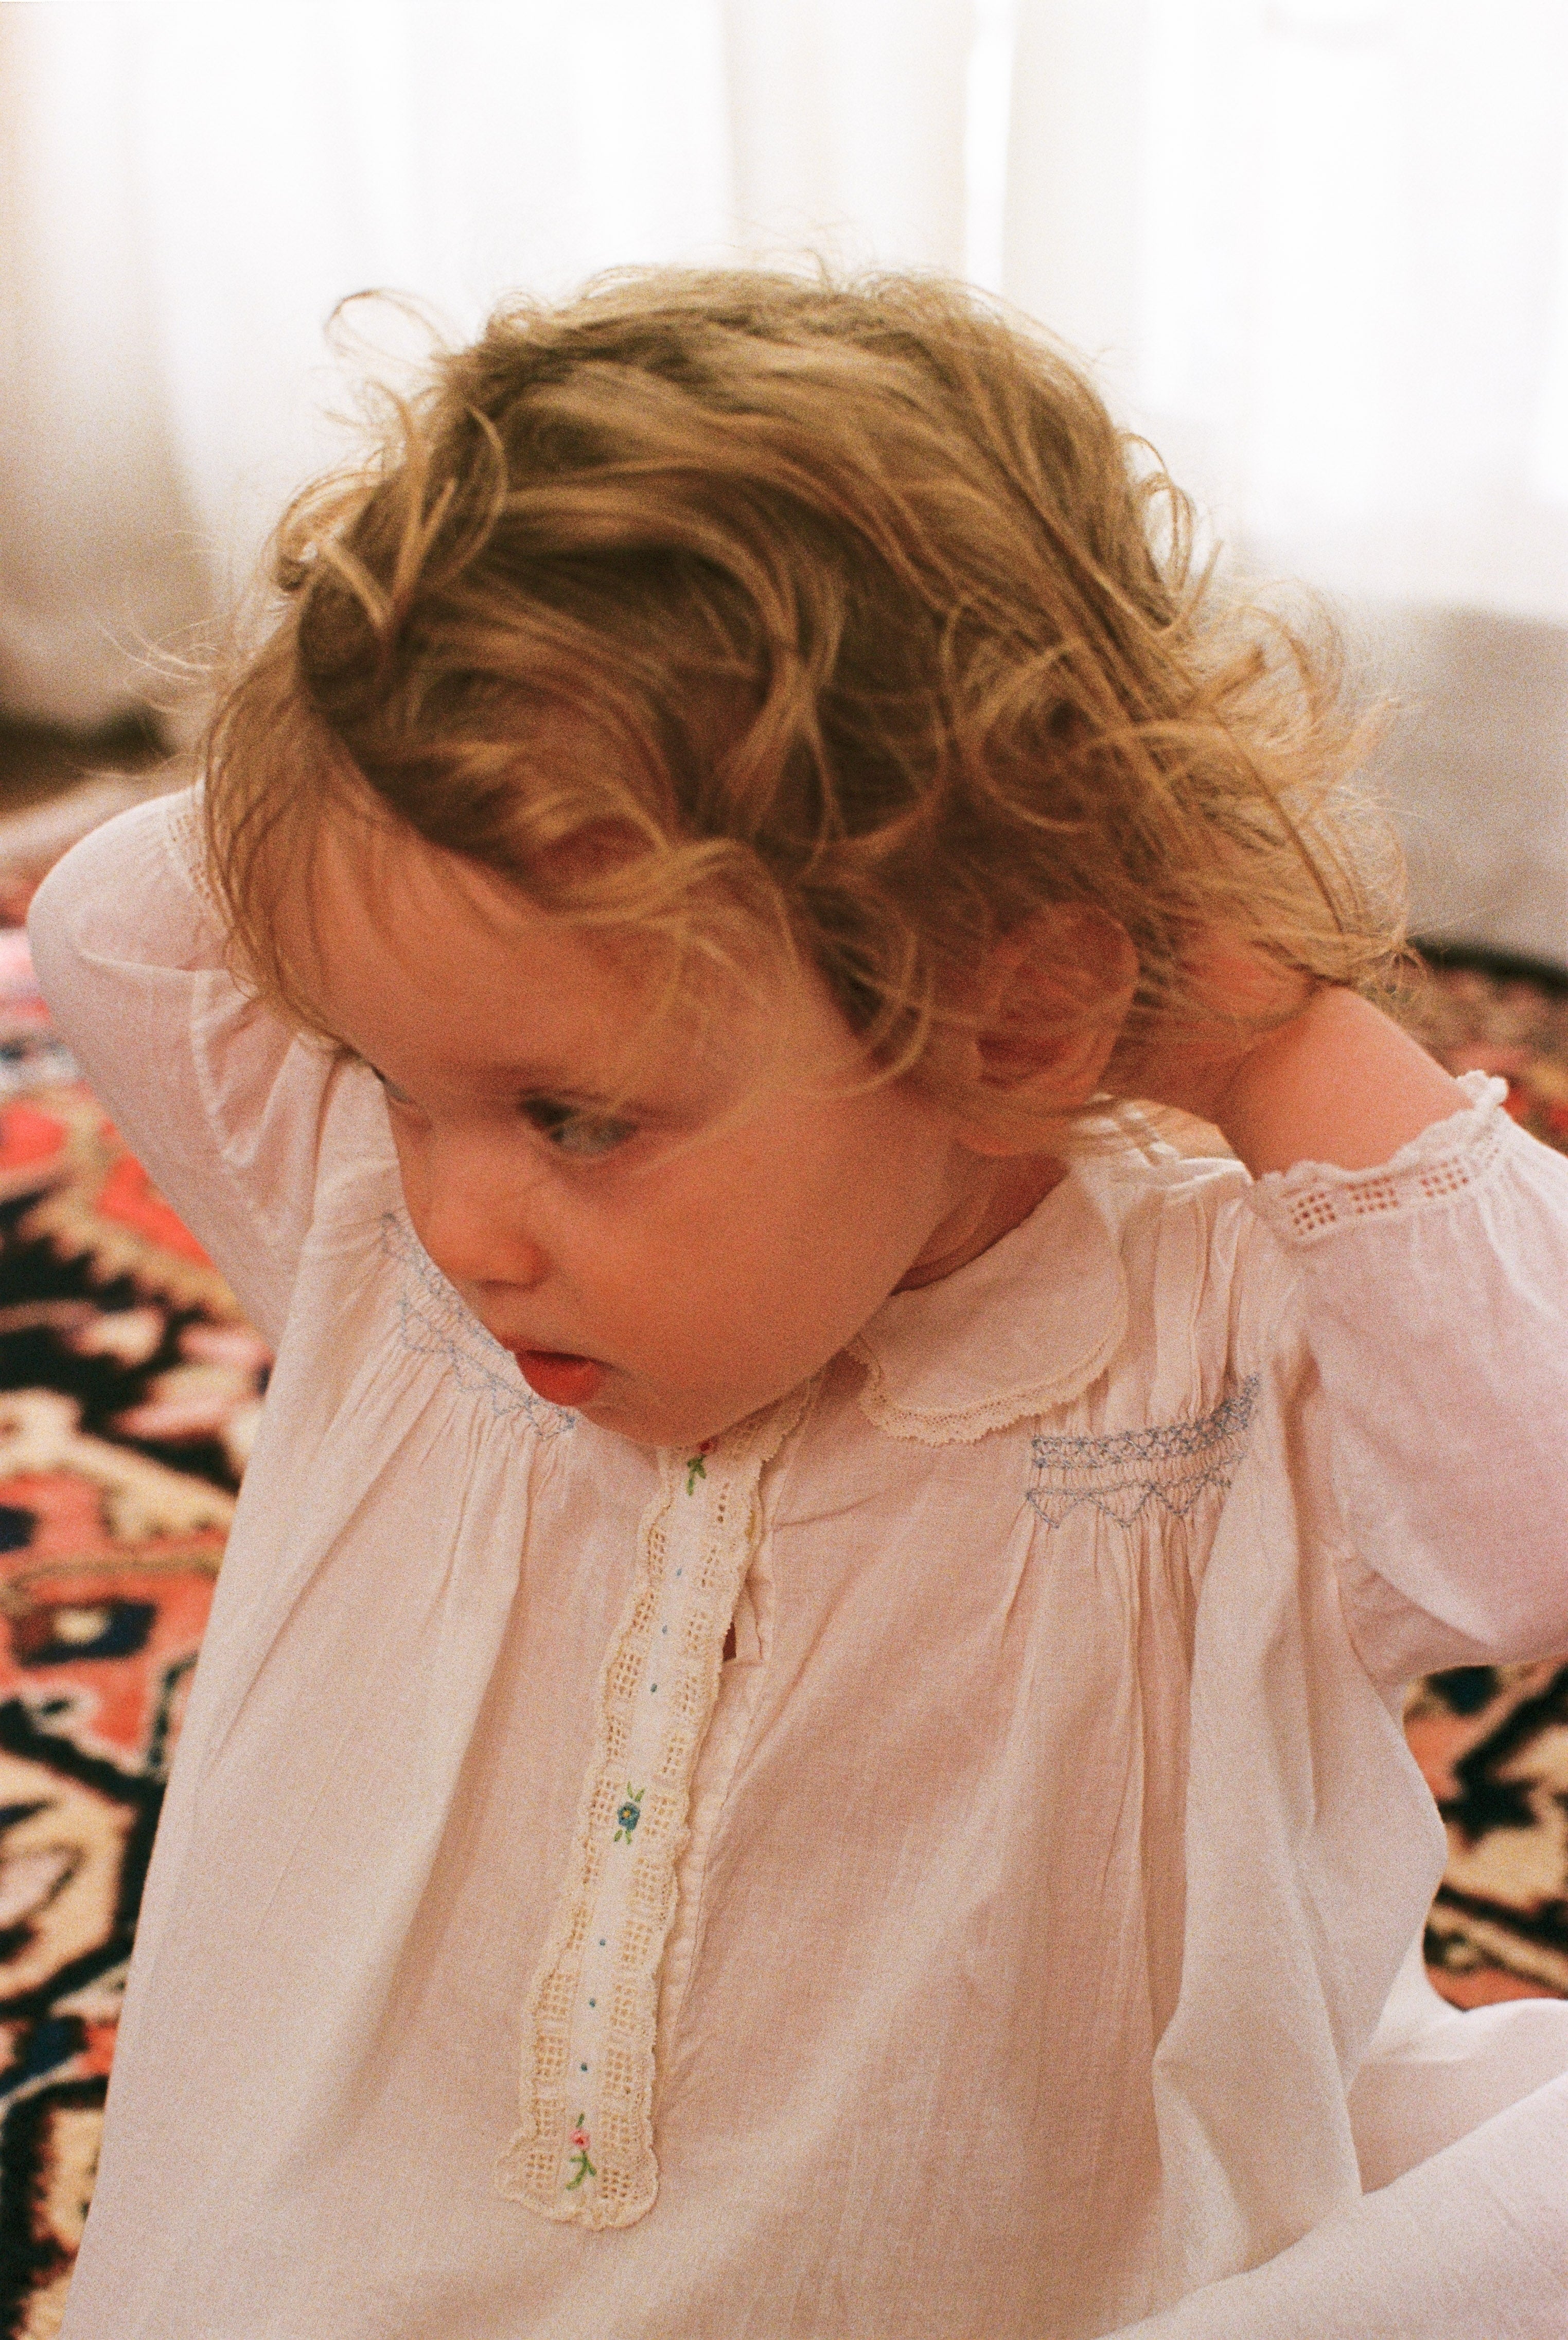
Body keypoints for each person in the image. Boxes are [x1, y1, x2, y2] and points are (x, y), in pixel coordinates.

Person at [33, 269, 1568, 2339]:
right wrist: (465, 685)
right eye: (403, 1083)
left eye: (575, 1116)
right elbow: (121, 918)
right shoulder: (380, 1231)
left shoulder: (1222, 1330)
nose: (461, 1217)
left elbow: (1538, 1523)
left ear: (1008, 1003)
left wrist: (1278, 1043)